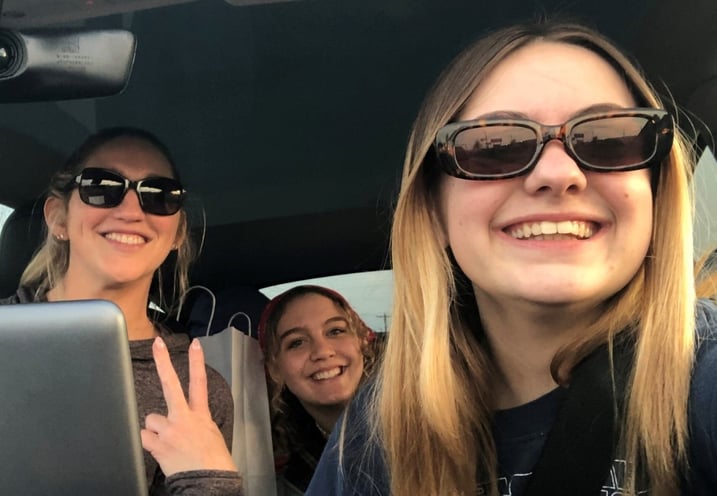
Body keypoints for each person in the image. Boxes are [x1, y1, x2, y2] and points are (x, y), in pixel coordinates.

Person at [305, 20, 717, 496]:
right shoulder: (373, 438)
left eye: (609, 138)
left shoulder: (703, 377)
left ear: (655, 195)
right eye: (492, 146)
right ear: (434, 212)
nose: (559, 173)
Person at [0, 127, 243, 495]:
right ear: (58, 218)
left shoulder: (197, 391)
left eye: (160, 195)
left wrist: (208, 481)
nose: (131, 211)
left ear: (177, 233)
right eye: (102, 186)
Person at [258, 285, 378, 495]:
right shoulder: (290, 479)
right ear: (274, 369)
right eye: (297, 343)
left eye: (335, 331)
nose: (322, 351)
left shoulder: (422, 425)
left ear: (362, 341)